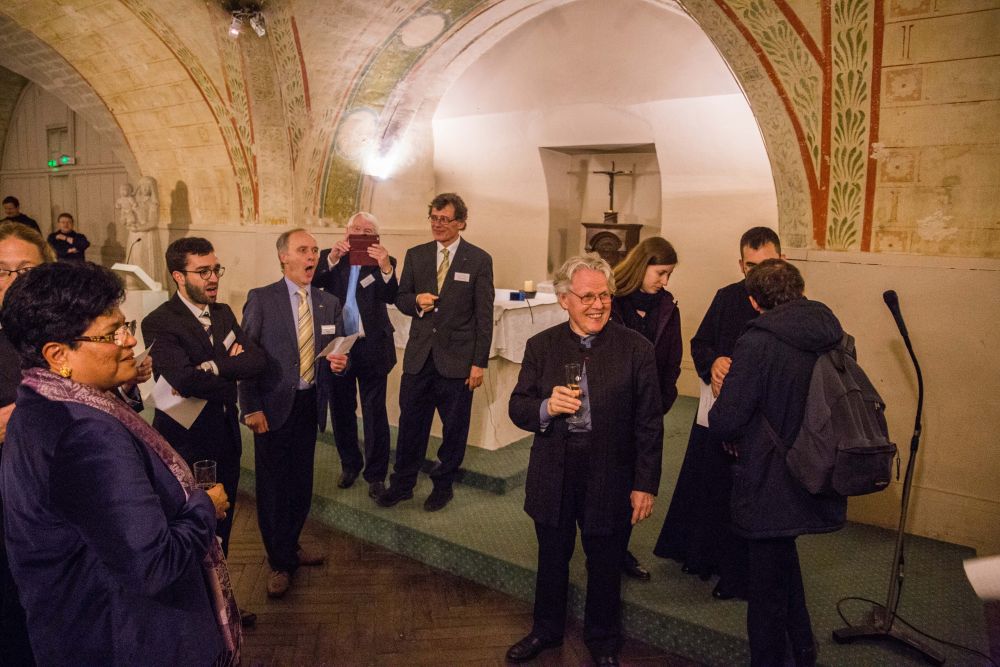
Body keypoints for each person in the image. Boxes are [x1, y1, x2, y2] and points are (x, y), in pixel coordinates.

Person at [0, 261, 240, 666]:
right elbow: (154, 564)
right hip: (125, 639)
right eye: (112, 333)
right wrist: (203, 505)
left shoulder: (40, 399)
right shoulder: (85, 433)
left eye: (125, 326)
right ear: (58, 354)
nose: (130, 340)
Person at [506, 255, 663, 666]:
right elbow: (518, 407)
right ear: (564, 300)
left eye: (604, 296)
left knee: (606, 564)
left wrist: (644, 484)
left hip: (610, 473)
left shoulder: (636, 349)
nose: (598, 305)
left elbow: (650, 424)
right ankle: (546, 631)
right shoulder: (542, 346)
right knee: (551, 559)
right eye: (587, 297)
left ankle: (603, 640)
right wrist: (546, 406)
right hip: (554, 472)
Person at [708, 258, 847, 666]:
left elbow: (726, 419)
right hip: (816, 463)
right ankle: (803, 647)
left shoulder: (758, 342)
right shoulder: (831, 331)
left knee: (765, 588)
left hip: (771, 475)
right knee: (782, 556)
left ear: (754, 302)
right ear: (801, 291)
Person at [653, 226, 782, 600]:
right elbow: (701, 343)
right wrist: (714, 362)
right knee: (710, 484)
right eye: (751, 266)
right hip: (719, 410)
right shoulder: (727, 297)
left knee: (748, 497)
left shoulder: (790, 304)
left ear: (782, 261)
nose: (759, 274)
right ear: (741, 265)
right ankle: (701, 555)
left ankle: (737, 571)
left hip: (761, 420)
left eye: (767, 264)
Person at [238, 228, 348, 599]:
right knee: (273, 488)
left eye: (315, 250)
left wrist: (340, 364)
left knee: (301, 484)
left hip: (308, 405)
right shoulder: (262, 299)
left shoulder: (328, 302)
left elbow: (337, 353)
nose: (311, 256)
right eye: (303, 250)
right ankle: (279, 562)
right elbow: (246, 358)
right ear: (283, 257)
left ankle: (292, 544)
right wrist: (251, 406)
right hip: (271, 407)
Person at [141, 238, 265, 561]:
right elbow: (184, 379)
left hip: (226, 438)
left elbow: (256, 361)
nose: (213, 279)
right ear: (178, 276)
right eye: (203, 272)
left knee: (223, 529)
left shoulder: (223, 313)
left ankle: (222, 592)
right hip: (186, 443)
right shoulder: (159, 321)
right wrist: (229, 370)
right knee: (192, 530)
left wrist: (212, 367)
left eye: (215, 269)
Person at [377, 193, 494, 512]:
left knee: (454, 430)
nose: (437, 224)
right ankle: (402, 484)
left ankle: (443, 486)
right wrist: (416, 302)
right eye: (433, 218)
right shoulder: (416, 255)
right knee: (410, 425)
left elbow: (484, 317)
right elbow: (400, 298)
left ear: (461, 223)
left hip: (457, 361)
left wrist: (478, 363)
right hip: (419, 359)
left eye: (444, 219)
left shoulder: (478, 259)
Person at [609, 237, 681, 582]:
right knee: (607, 483)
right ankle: (603, 549)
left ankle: (619, 549)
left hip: (647, 408)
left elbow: (672, 361)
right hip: (612, 406)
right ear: (642, 266)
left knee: (635, 482)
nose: (664, 281)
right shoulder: (612, 300)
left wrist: (661, 402)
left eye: (669, 275)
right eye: (660, 273)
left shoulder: (667, 307)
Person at [313, 212, 398, 500]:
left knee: (374, 413)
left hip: (372, 346)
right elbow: (313, 282)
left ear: (376, 237)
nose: (360, 234)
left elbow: (391, 295)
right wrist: (332, 258)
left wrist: (385, 266)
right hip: (339, 345)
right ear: (346, 232)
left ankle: (376, 475)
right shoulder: (330, 257)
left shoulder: (384, 260)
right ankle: (350, 464)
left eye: (367, 231)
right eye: (355, 229)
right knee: (341, 409)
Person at [0, 223, 54, 667]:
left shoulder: (59, 333)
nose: (14, 280)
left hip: (56, 498)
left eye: (25, 270)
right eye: (2, 270)